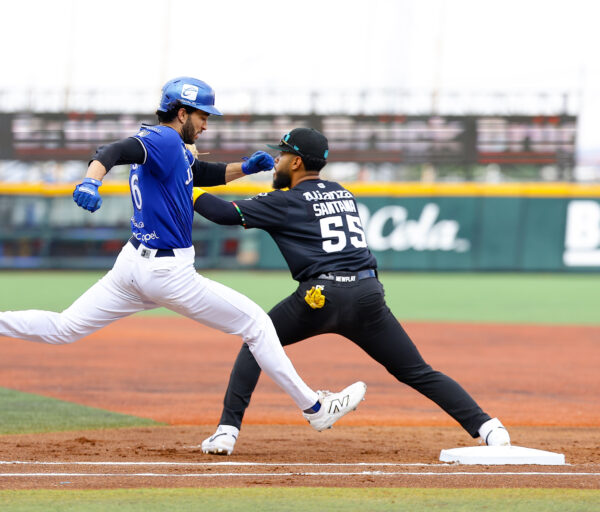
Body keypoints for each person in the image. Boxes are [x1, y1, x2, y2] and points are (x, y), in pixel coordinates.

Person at [0, 77, 366, 433]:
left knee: (64, 328)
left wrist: (244, 169)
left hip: (132, 267)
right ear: (181, 113)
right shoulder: (164, 140)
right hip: (168, 270)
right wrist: (90, 180)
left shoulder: (170, 147)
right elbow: (112, 151)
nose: (207, 124)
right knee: (256, 324)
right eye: (202, 115)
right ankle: (314, 407)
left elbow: (200, 173)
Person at [194, 127, 511, 455]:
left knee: (256, 341)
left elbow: (221, 213)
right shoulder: (343, 193)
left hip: (320, 296)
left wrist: (182, 186)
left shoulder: (286, 201)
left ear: (298, 162)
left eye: (283, 154)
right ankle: (489, 428)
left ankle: (226, 433)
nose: (277, 159)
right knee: (416, 371)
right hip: (366, 295)